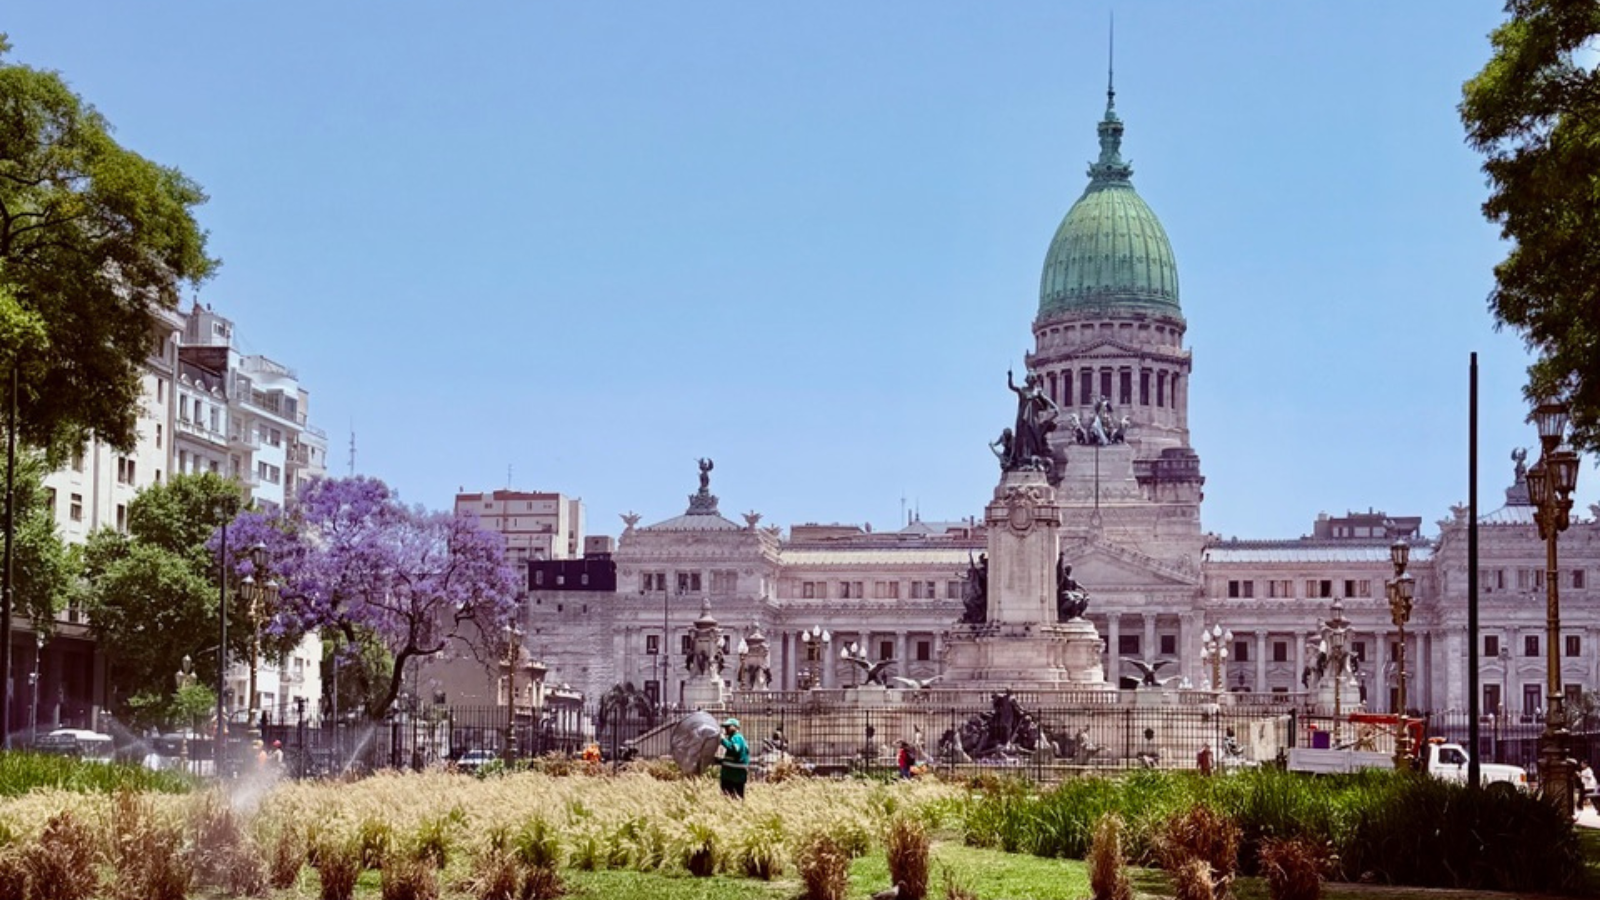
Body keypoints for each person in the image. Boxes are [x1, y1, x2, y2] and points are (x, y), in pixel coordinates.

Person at [717, 718, 750, 799]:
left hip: (733, 775)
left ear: (735, 727)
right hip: (734, 775)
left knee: (730, 798)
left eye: (728, 726)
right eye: (725, 727)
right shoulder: (734, 738)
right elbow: (734, 757)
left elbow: (735, 749)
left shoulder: (736, 737)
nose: (726, 728)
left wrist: (723, 740)